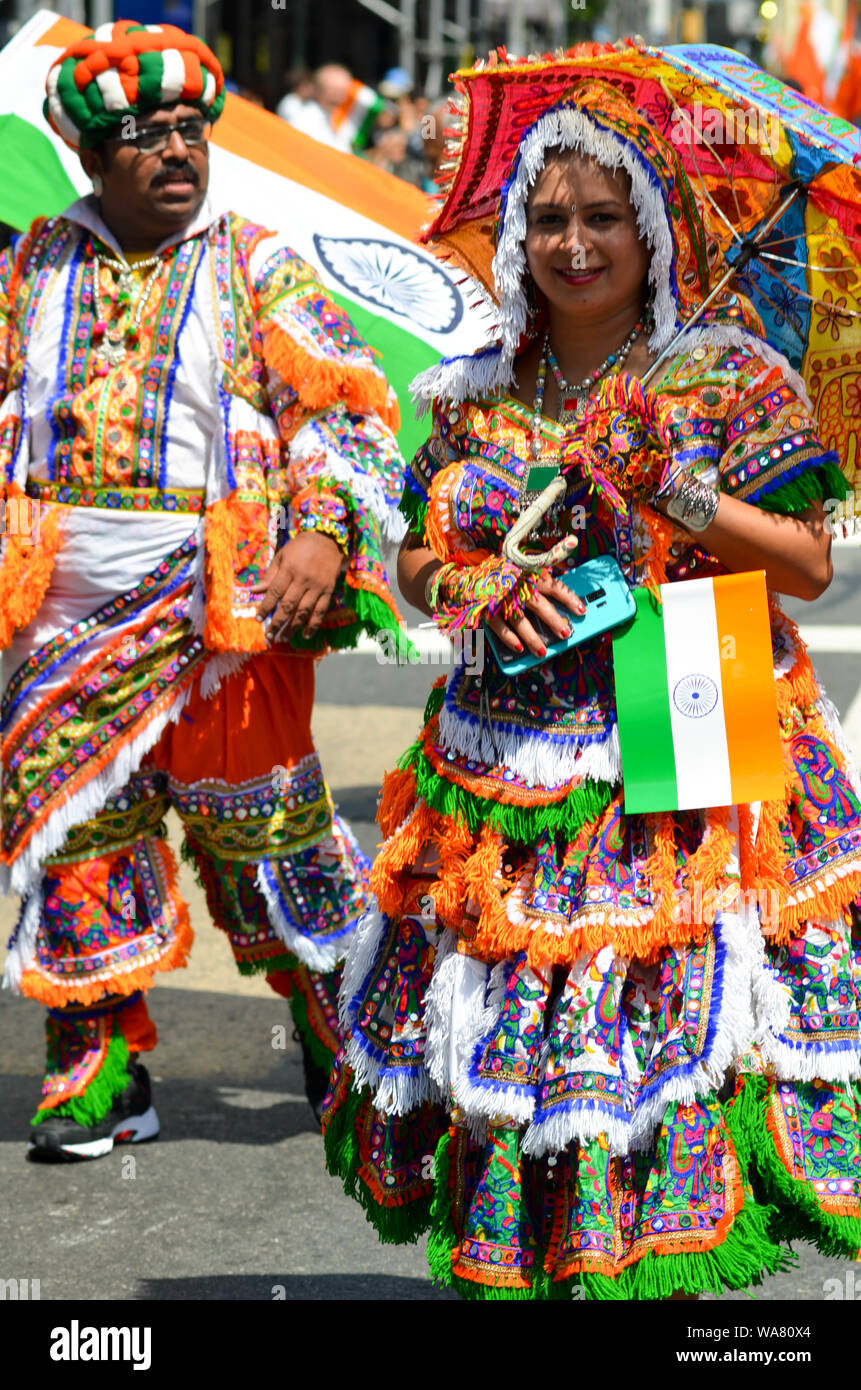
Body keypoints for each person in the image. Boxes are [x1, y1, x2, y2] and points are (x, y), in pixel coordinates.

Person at [322, 61, 861, 1298]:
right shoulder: (474, 392)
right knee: (513, 1032)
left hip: (690, 707)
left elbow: (810, 565)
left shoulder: (727, 374)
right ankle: (545, 1262)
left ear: (653, 225)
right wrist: (479, 594)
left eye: (602, 217)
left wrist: (680, 493)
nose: (574, 244)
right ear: (516, 234)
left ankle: (640, 1271)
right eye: (549, 219)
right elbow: (414, 558)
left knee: (651, 1023)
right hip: (506, 751)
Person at [0, 20, 406, 1160]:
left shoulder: (254, 259)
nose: (177, 150)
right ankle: (99, 1069)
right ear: (90, 156)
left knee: (272, 844)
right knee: (77, 840)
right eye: (146, 133)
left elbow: (347, 410)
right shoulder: (30, 267)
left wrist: (323, 534)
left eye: (190, 129)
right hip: (63, 626)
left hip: (221, 618)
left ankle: (348, 1039)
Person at [283, 64, 382, 154]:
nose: (339, 95)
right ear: (318, 89)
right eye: (333, 89)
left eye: (343, 89)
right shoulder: (303, 120)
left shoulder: (342, 119)